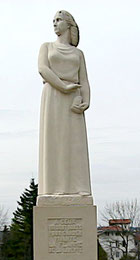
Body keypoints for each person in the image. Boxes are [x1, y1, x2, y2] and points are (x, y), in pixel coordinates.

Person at [38, 10, 92, 197]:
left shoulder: (78, 53)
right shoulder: (47, 47)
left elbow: (84, 79)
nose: (54, 23)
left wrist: (86, 101)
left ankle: (79, 187)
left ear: (69, 24)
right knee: (55, 141)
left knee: (74, 143)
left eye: (58, 20)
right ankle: (54, 188)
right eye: (53, 20)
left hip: (73, 100)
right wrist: (62, 86)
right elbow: (43, 69)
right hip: (54, 95)